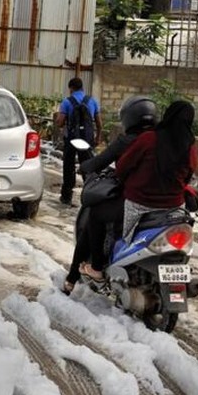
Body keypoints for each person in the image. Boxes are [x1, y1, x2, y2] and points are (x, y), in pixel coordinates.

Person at [76, 100, 198, 283]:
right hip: (173, 208)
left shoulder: (149, 139)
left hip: (140, 204)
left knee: (96, 214)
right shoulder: (191, 146)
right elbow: (188, 175)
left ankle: (97, 269)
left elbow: (124, 166)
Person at [62, 96, 158, 294]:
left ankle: (92, 269)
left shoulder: (129, 141)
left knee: (95, 214)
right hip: (167, 202)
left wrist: (87, 166)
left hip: (136, 198)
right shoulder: (163, 139)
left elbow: (102, 161)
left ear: (129, 118)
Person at [56, 77, 103, 205]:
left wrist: (60, 119)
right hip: (87, 140)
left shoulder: (67, 102)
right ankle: (88, 195)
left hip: (71, 139)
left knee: (68, 166)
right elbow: (99, 123)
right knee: (87, 166)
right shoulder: (92, 101)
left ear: (71, 88)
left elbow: (60, 123)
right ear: (82, 88)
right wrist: (98, 137)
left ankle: (66, 196)